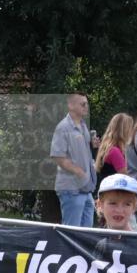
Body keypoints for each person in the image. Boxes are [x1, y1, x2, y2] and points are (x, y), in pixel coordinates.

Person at [50, 91, 98, 226]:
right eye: (83, 104)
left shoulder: (83, 125)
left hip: (85, 188)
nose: (86, 107)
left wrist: (92, 145)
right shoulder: (63, 127)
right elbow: (58, 156)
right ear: (70, 106)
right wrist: (79, 171)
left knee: (86, 233)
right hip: (71, 189)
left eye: (87, 104)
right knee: (72, 232)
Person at [94, 112, 134, 190]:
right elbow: (125, 177)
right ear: (124, 130)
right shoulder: (114, 151)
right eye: (130, 128)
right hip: (114, 193)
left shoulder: (107, 148)